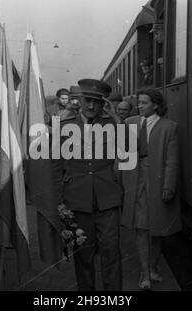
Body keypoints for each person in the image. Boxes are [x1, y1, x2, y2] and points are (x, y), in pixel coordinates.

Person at [53, 79, 123, 291]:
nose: (91, 106)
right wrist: (58, 200)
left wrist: (116, 118)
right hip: (77, 200)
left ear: (103, 104)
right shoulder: (66, 127)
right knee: (83, 256)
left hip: (107, 200)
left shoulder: (112, 125)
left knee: (111, 253)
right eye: (87, 101)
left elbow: (136, 148)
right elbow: (55, 166)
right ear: (79, 101)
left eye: (96, 102)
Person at [120, 88, 181, 290]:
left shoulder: (169, 127)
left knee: (157, 230)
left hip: (157, 182)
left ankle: (153, 268)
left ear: (156, 105)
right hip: (135, 183)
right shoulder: (129, 124)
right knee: (140, 229)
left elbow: (172, 161)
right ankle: (145, 273)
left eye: (144, 103)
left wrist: (169, 187)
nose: (139, 106)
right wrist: (121, 183)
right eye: (139, 103)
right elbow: (121, 156)